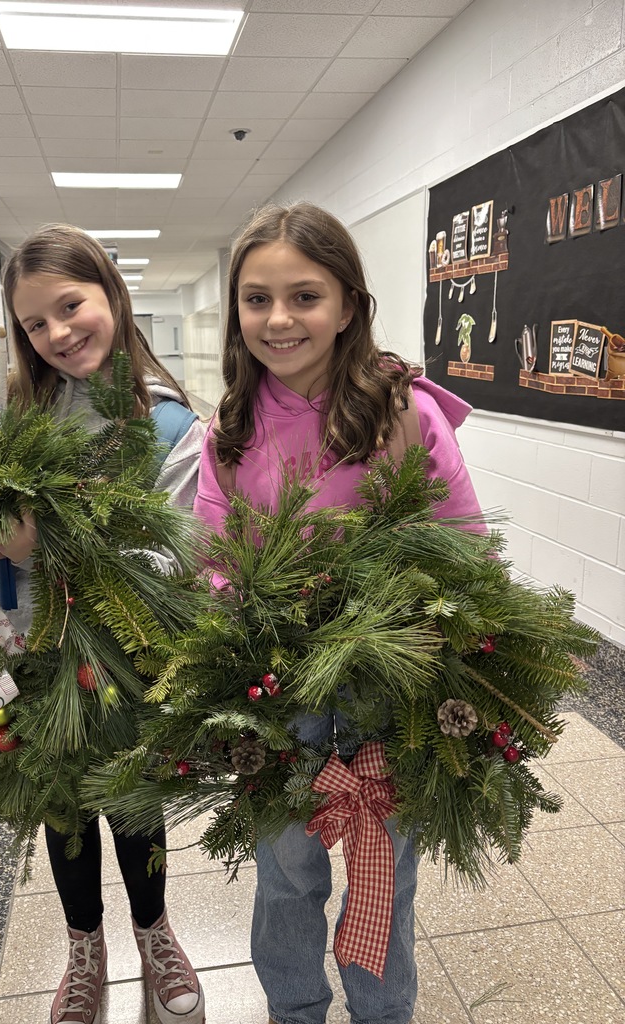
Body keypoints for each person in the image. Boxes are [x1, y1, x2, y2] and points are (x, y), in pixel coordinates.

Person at [192, 201, 482, 1024]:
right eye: (257, 298)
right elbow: (216, 560)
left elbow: (464, 545)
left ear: (348, 304)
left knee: (386, 872)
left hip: (390, 690)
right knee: (286, 874)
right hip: (277, 694)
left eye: (305, 296)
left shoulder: (404, 413)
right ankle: (293, 1010)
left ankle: (383, 1012)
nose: (279, 319)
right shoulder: (232, 430)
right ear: (236, 311)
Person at [0, 224, 206, 1024]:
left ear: (112, 293)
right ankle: (85, 946)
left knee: (133, 801)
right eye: (34, 323)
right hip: (41, 655)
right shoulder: (20, 424)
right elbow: (1, 555)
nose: (56, 333)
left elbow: (173, 564)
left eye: (70, 305)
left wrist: (44, 538)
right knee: (64, 806)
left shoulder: (169, 426)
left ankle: (154, 931)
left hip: (136, 660)